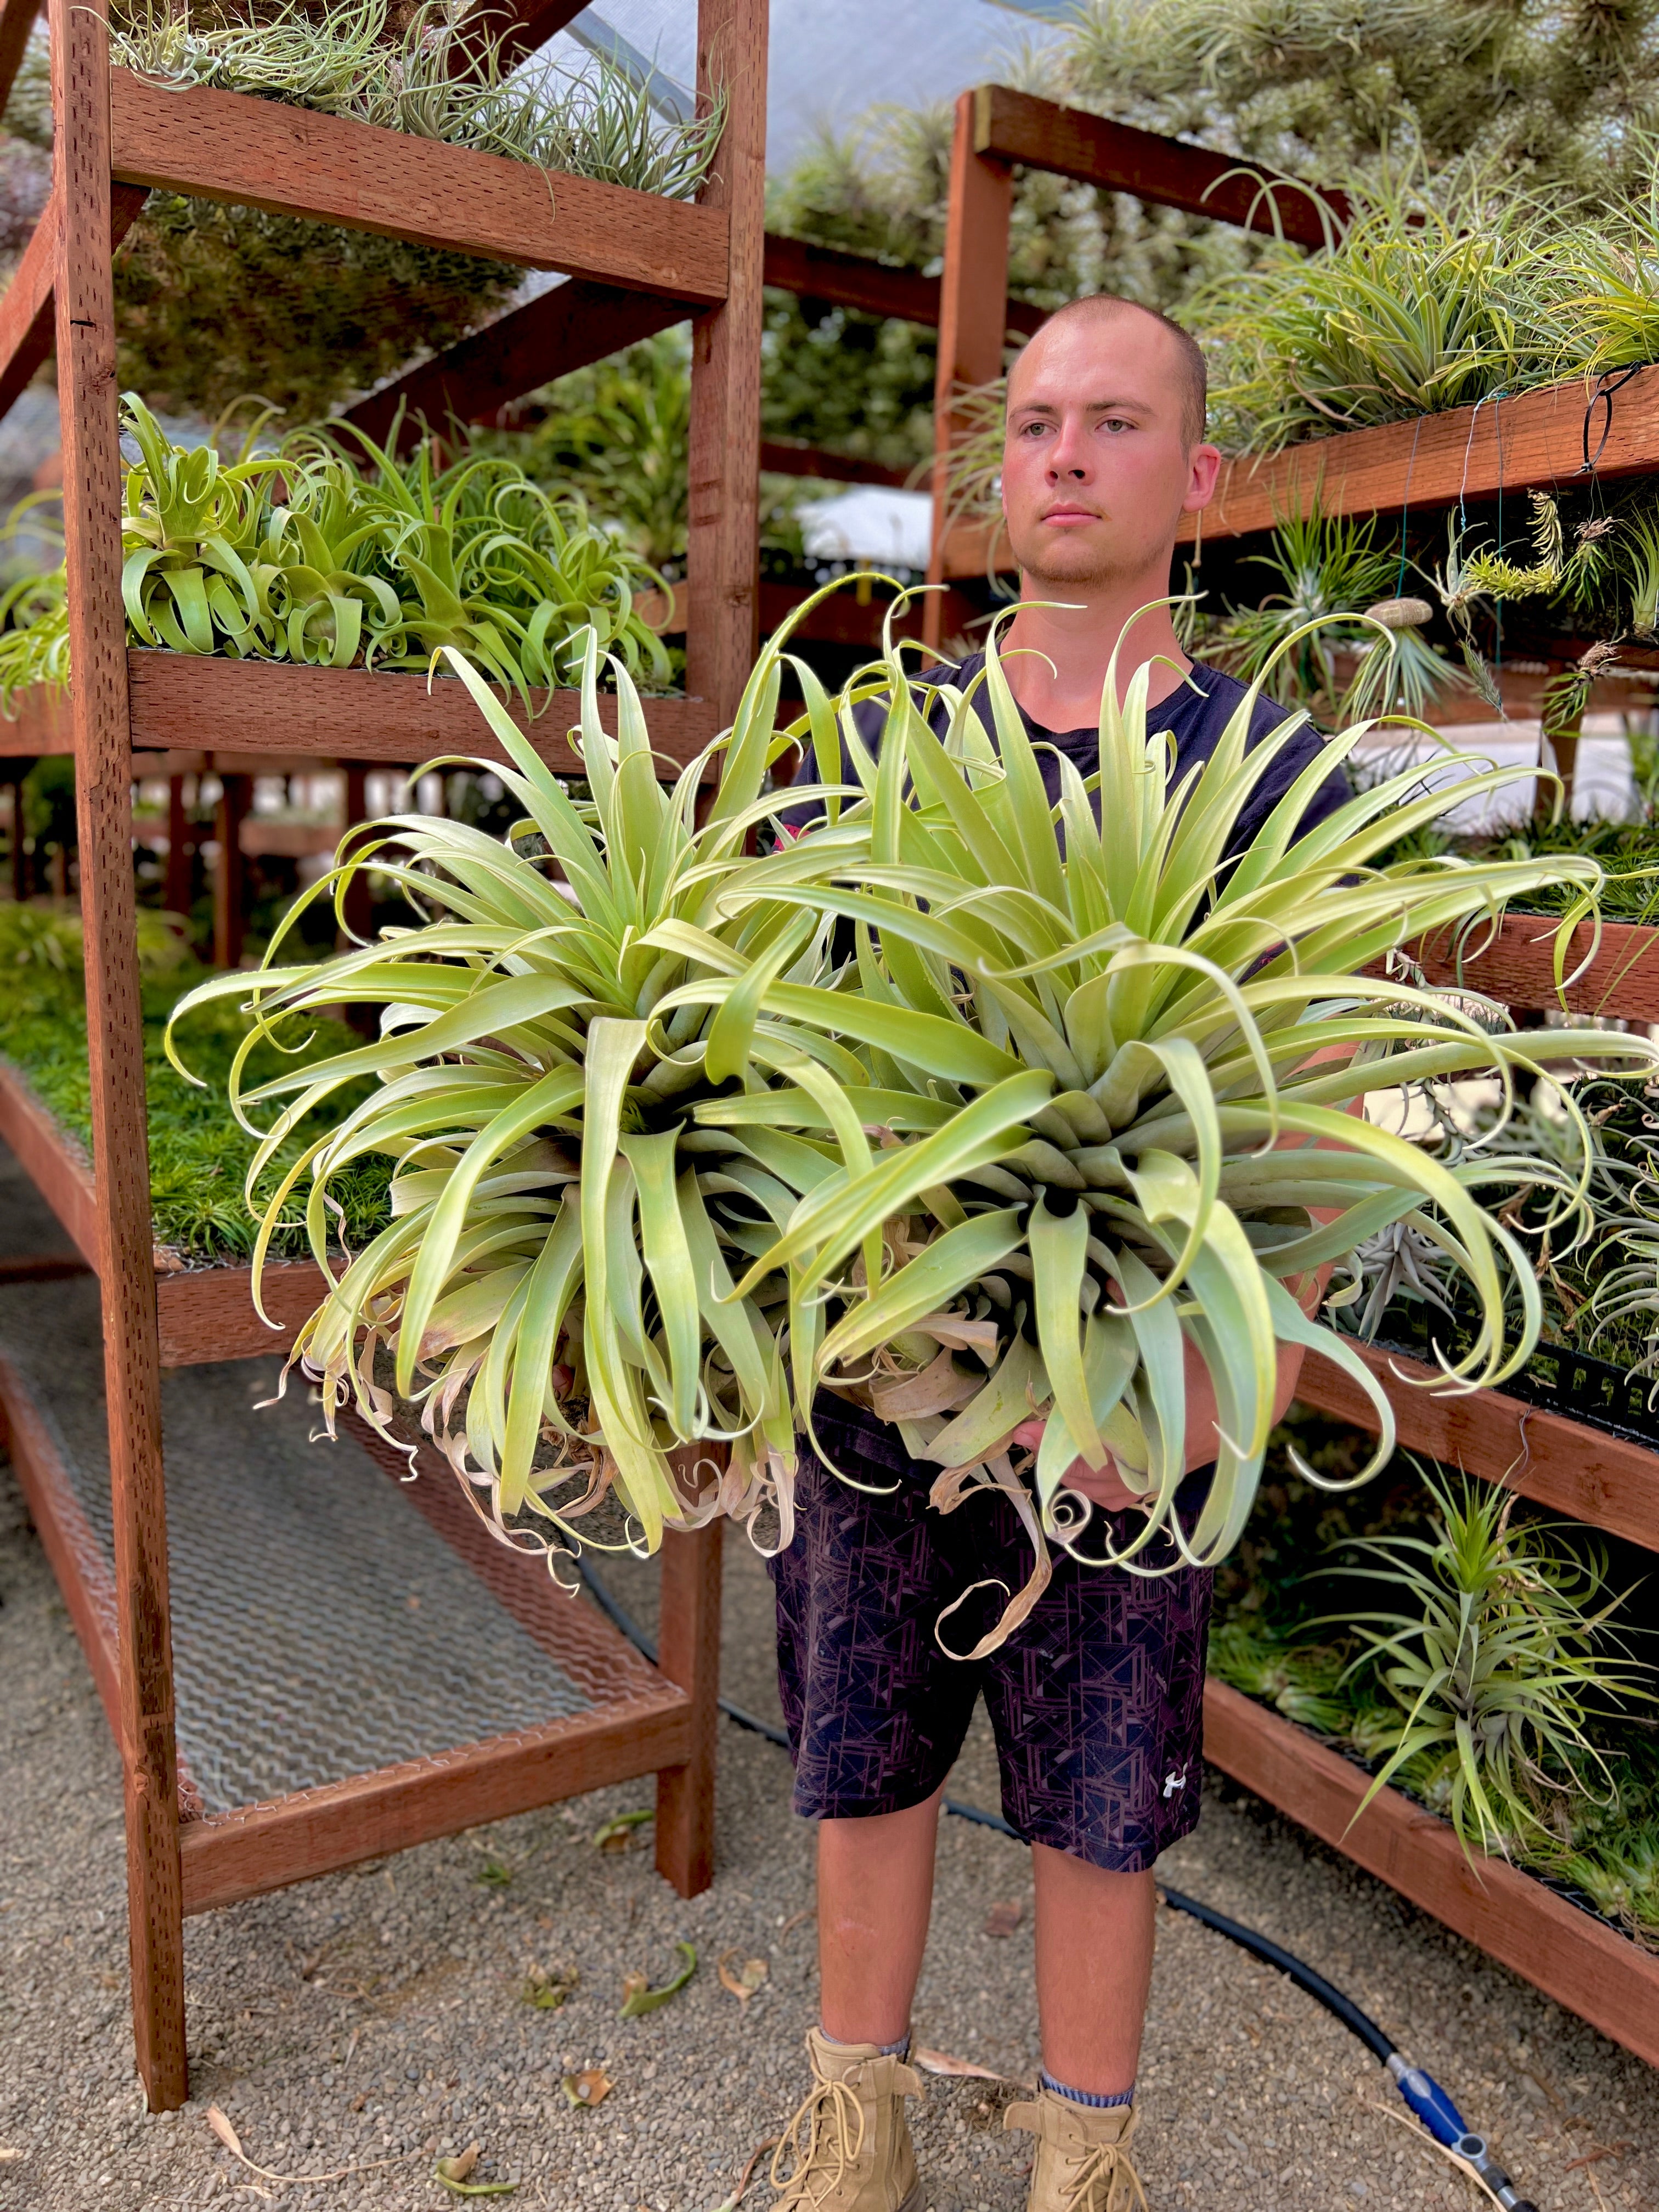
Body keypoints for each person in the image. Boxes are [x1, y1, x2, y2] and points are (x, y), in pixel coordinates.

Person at [765, 295, 1352, 2212]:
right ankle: (861, 2118)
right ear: (998, 472)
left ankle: (1082, 2153)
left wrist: (1221, 1392)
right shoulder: (878, 736)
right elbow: (760, 1040)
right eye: (1032, 424)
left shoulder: (1269, 771)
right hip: (885, 1363)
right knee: (860, 1737)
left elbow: (1334, 1120)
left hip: (1138, 1392)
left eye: (1113, 421)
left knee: (1109, 1783)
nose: (1066, 455)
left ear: (1198, 478)